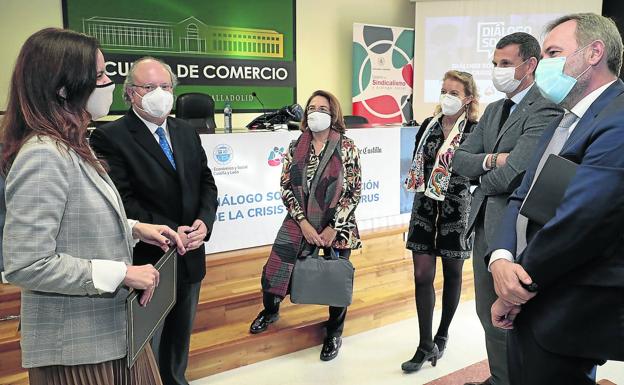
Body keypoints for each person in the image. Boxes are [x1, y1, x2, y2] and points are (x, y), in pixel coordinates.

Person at [1, 28, 187, 385]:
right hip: (77, 346)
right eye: (99, 74)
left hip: (112, 335)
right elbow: (26, 263)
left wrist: (134, 228)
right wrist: (122, 273)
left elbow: (76, 217)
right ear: (63, 87)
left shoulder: (71, 144)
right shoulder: (42, 155)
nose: (109, 82)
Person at [487, 13, 624, 385]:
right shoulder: (561, 120)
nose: (542, 64)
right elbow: (521, 193)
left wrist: (515, 291)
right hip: (535, 300)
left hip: (567, 309)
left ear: (594, 52)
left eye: (552, 52)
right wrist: (500, 258)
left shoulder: (618, 118)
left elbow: (581, 222)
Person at [89, 57, 218, 385]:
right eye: (149, 87)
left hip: (190, 254)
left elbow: (206, 182)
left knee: (179, 341)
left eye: (165, 86)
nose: (159, 93)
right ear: (130, 93)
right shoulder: (109, 137)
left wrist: (204, 222)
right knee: (148, 343)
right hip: (148, 260)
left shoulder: (186, 131)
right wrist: (171, 230)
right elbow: (121, 201)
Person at [452, 33, 562, 385]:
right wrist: (491, 160)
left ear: (530, 66)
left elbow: (518, 175)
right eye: (494, 64)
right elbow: (459, 160)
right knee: (489, 316)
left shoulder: (545, 106)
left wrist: (482, 175)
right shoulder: (495, 109)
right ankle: (500, 377)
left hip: (517, 231)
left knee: (517, 316)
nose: (497, 71)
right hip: (484, 226)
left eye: (505, 64)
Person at [249, 90, 361, 361]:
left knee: (336, 279)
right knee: (274, 269)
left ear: (333, 114)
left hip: (338, 224)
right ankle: (271, 310)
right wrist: (303, 223)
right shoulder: (295, 145)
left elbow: (353, 190)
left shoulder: (346, 146)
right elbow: (286, 187)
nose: (315, 113)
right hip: (300, 221)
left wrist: (333, 227)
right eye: (311, 108)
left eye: (322, 108)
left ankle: (334, 332)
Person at [401, 70, 479, 372]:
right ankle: (424, 343)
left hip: (457, 209)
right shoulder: (428, 126)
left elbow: (476, 168)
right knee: (422, 275)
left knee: (452, 273)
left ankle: (442, 333)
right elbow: (418, 163)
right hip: (424, 208)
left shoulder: (475, 130)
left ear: (468, 98)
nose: (447, 97)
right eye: (444, 90)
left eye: (454, 93)